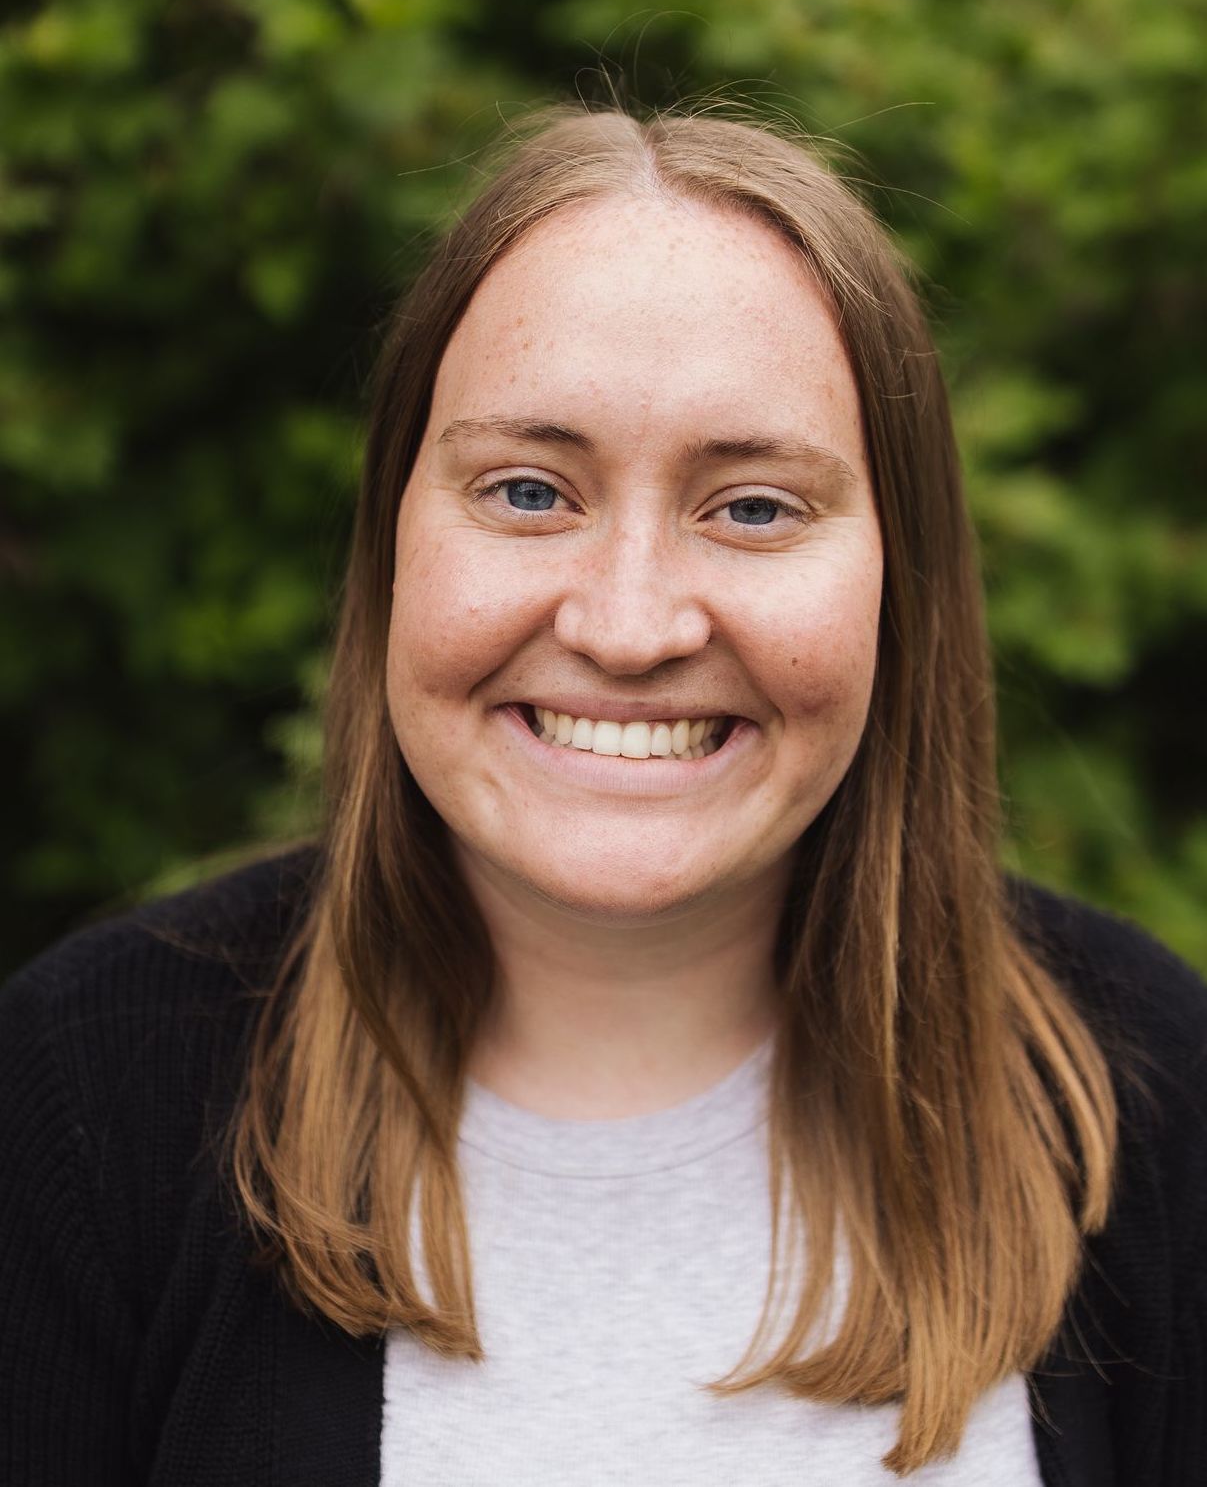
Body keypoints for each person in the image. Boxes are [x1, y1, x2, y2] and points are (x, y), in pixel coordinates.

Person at [1, 104, 1204, 1486]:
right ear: (396, 539)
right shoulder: (80, 1105)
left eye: (753, 506)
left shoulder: (1151, 1105)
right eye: (527, 490)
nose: (631, 625)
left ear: (901, 585)